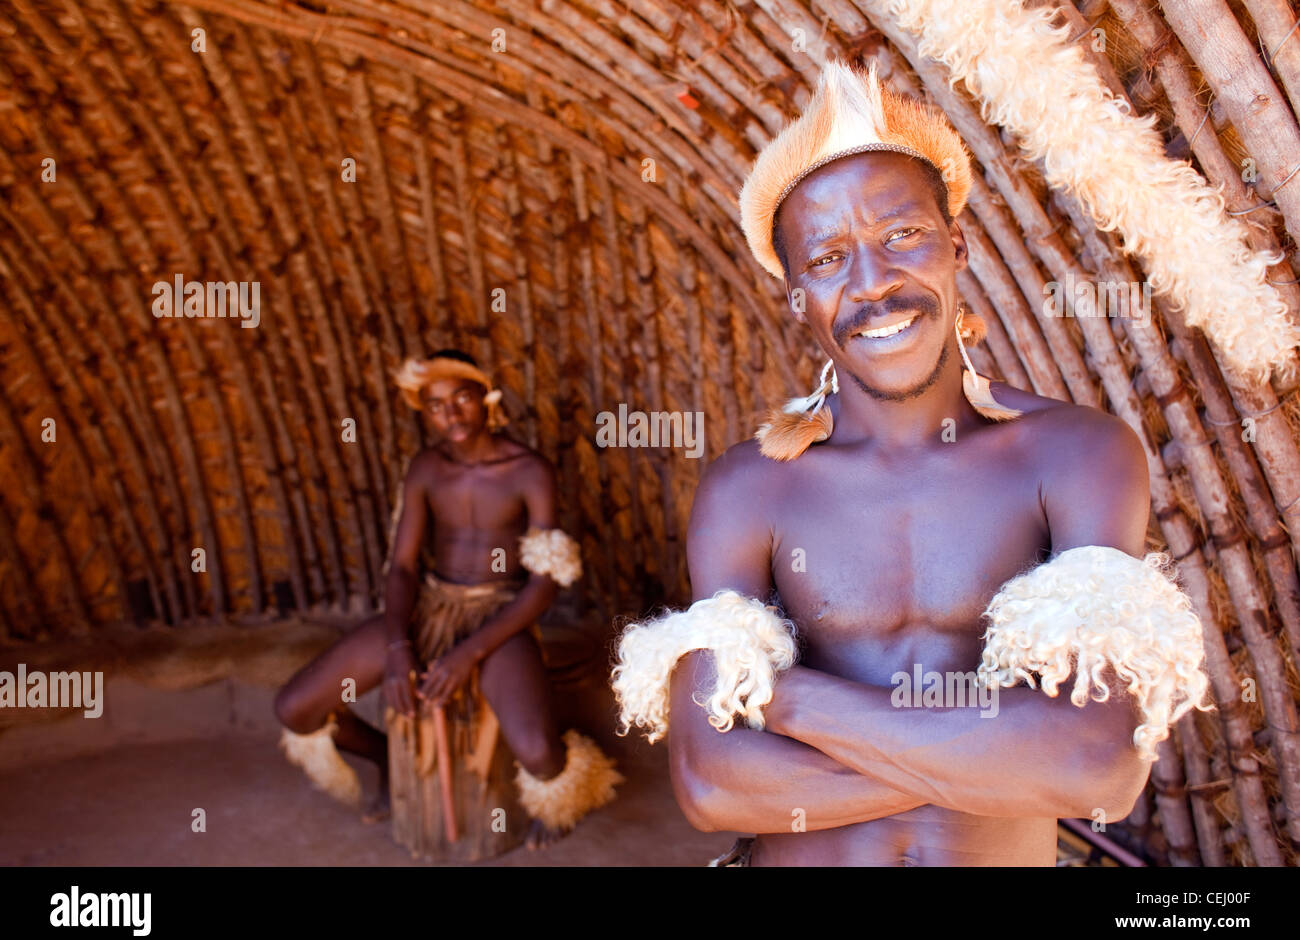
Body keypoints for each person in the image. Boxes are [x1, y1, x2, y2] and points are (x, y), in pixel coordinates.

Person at [612, 62, 1210, 866]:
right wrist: (1003, 759)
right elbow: (713, 786)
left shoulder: (1076, 457)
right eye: (826, 261)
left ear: (955, 246)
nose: (874, 285)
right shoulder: (749, 488)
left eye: (902, 236)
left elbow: (1097, 767)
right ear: (797, 299)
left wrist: (790, 699)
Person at [276, 349, 620, 850]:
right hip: (429, 607)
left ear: (488, 399)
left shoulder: (528, 470)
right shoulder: (427, 469)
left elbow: (545, 582)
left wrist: (470, 652)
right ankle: (385, 762)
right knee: (297, 707)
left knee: (539, 751)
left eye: (461, 399)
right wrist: (398, 648)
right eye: (435, 406)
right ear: (424, 413)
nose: (450, 415)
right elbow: (402, 568)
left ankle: (563, 801)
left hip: (500, 615)